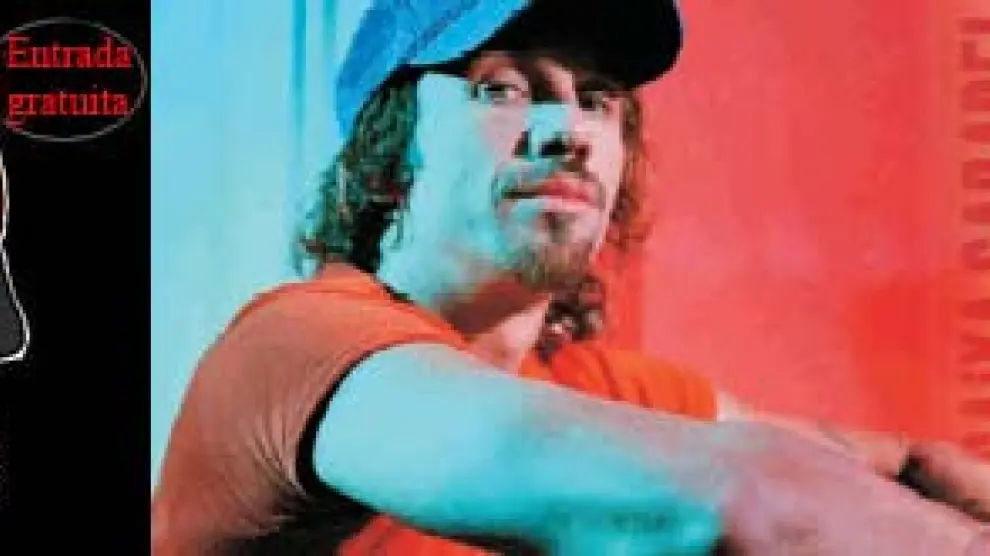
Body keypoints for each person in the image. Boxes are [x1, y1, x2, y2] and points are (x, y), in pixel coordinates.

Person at [152, 1, 990, 553]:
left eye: (596, 99)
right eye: (501, 89)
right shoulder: (298, 348)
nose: (569, 130)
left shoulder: (595, 388)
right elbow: (741, 503)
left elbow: (906, 464)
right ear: (389, 156)